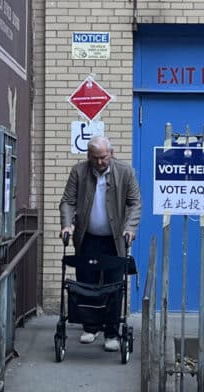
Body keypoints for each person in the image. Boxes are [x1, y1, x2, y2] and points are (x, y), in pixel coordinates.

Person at [59, 135, 141, 352]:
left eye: (103, 158)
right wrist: (67, 225)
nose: (100, 162)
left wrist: (130, 228)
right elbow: (67, 201)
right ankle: (91, 327)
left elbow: (134, 203)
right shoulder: (79, 171)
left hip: (114, 240)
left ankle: (112, 332)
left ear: (111, 154)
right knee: (87, 282)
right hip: (87, 238)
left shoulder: (125, 172)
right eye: (95, 158)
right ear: (89, 156)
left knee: (114, 285)